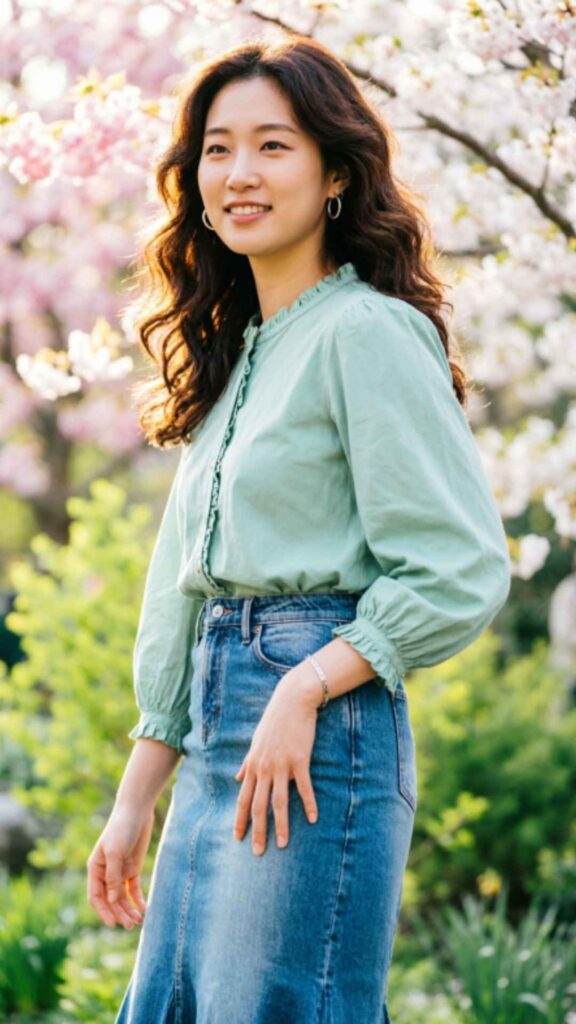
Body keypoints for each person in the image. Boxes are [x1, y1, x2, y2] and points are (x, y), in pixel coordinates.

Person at [86, 35, 511, 1024]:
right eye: (218, 148)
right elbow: (182, 594)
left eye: (273, 146)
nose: (238, 174)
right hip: (213, 729)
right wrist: (138, 792)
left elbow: (460, 566)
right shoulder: (237, 358)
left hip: (314, 732)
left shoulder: (367, 332)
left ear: (334, 175)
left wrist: (309, 682)